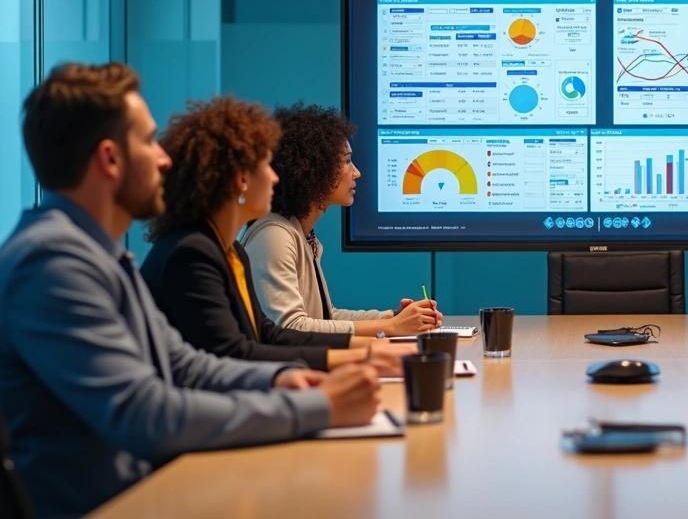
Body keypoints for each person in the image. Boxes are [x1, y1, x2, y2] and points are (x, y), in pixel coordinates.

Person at [0, 63, 380, 518]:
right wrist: (314, 408)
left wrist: (279, 379)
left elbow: (182, 364)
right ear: (109, 158)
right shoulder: (53, 264)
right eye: (146, 140)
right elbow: (144, 414)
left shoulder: (99, 256)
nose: (164, 159)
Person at [140, 97, 417, 376]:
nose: (275, 177)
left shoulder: (229, 250)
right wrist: (367, 349)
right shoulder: (191, 254)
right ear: (241, 179)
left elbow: (270, 335)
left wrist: (370, 346)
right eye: (265, 165)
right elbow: (236, 355)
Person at [242, 102, 440, 335]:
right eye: (346, 161)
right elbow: (291, 328)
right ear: (315, 169)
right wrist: (392, 327)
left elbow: (326, 317)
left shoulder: (300, 234)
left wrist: (394, 317)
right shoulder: (274, 236)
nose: (356, 172)